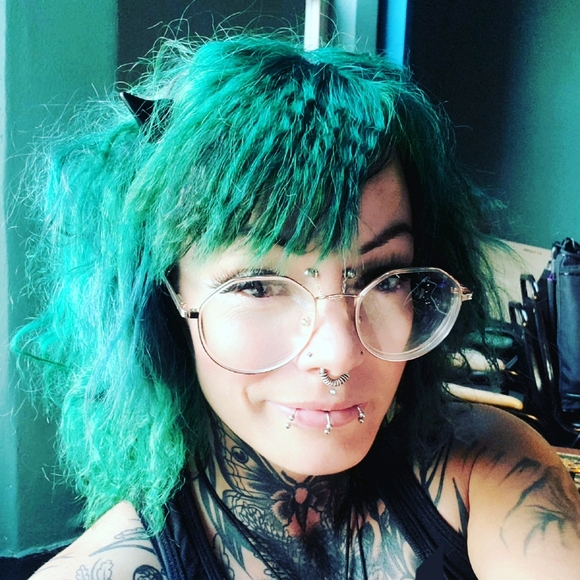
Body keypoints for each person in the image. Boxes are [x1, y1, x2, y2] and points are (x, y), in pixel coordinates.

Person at [15, 34, 580, 580]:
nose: (338, 355)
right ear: (169, 300)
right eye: (259, 286)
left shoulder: (490, 468)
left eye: (383, 278)